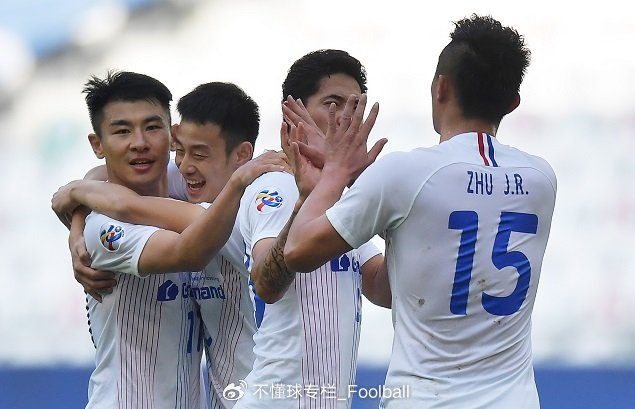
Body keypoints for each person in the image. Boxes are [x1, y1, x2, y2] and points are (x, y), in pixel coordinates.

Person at [284, 15, 556, 408]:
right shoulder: (541, 179)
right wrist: (359, 182)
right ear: (512, 103)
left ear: (440, 87)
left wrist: (336, 172)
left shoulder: (405, 172)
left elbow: (297, 251)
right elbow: (422, 239)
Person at [53, 71, 284, 409]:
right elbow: (189, 250)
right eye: (122, 131)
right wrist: (79, 215)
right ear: (97, 145)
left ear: (172, 133)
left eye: (152, 127)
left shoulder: (184, 184)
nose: (139, 143)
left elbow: (113, 185)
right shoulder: (103, 227)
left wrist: (77, 196)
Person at [232, 49, 388, 409]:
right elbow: (266, 284)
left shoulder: (345, 199)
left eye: (354, 108)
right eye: (332, 104)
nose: (345, 118)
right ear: (292, 115)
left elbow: (384, 291)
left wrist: (379, 200)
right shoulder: (275, 185)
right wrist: (305, 201)